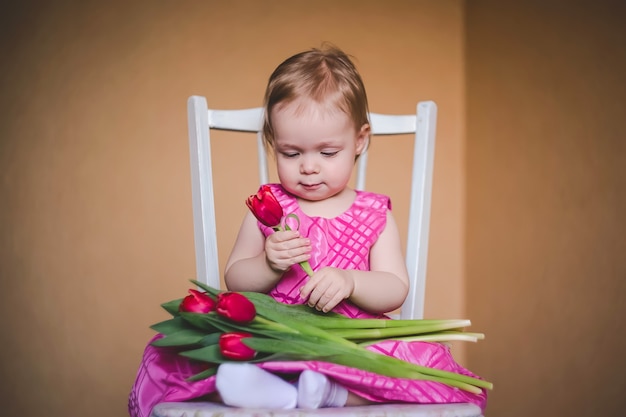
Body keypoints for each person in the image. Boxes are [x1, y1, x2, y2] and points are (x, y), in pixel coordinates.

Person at [128, 44, 487, 416]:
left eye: (327, 153)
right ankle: (275, 390)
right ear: (274, 144)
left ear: (359, 141)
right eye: (291, 153)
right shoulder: (269, 208)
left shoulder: (373, 212)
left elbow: (395, 288)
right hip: (278, 335)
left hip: (352, 344)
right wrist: (269, 264)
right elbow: (235, 279)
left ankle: (329, 393)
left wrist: (351, 281)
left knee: (415, 366)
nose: (309, 167)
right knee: (215, 348)